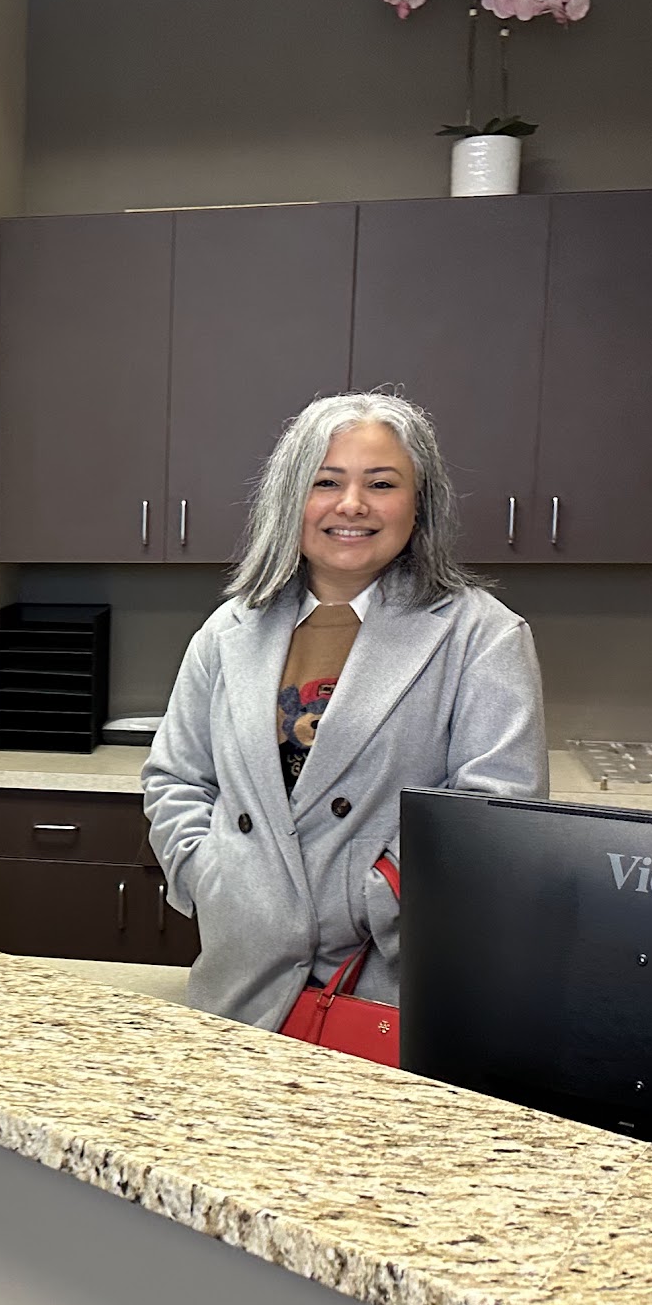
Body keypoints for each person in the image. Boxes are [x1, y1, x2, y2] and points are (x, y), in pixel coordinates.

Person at [144, 390, 545, 1029]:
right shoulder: (229, 630)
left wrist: (376, 899)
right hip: (241, 976)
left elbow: (495, 814)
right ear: (290, 497)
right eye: (326, 481)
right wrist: (210, 877)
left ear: (420, 503)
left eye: (381, 484)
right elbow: (177, 779)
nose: (352, 504)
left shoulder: (481, 635)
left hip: (385, 982)